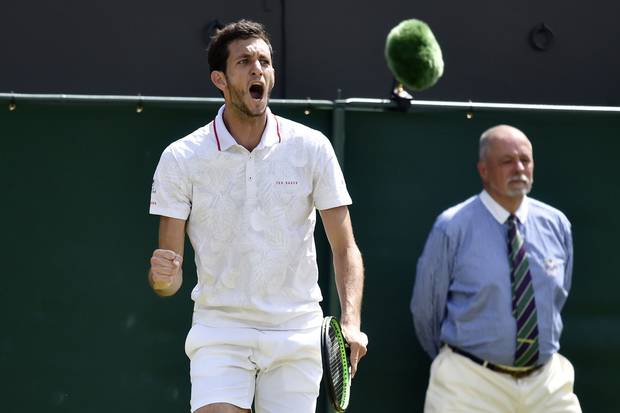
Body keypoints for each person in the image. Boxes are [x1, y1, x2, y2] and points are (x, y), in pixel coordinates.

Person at [147, 19, 367, 413]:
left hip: (296, 333)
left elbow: (345, 246)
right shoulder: (180, 158)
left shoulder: (312, 147)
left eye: (264, 61)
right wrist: (163, 277)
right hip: (220, 331)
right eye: (245, 61)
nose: (257, 70)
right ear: (220, 78)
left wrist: (351, 321)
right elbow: (169, 277)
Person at [411, 125, 581, 413]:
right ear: (484, 170)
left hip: (547, 382)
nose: (518, 168)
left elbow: (557, 297)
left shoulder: (556, 223)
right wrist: (460, 360)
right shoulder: (452, 226)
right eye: (506, 161)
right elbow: (426, 310)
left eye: (524, 160)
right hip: (469, 383)